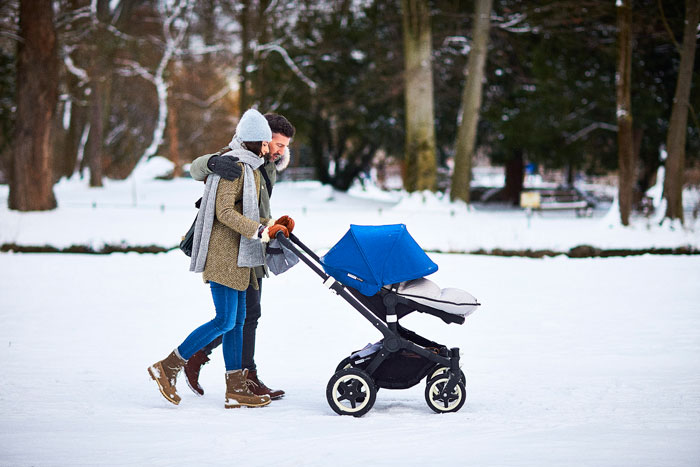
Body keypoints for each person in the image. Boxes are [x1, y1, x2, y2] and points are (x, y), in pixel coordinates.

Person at [147, 109, 293, 409]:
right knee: (226, 319)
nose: (273, 149)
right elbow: (224, 211)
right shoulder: (234, 164)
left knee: (238, 321)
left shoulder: (256, 166)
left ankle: (236, 387)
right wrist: (260, 230)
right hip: (225, 253)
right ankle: (168, 366)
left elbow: (252, 208)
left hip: (245, 251)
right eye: (269, 143)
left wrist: (274, 225)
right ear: (256, 141)